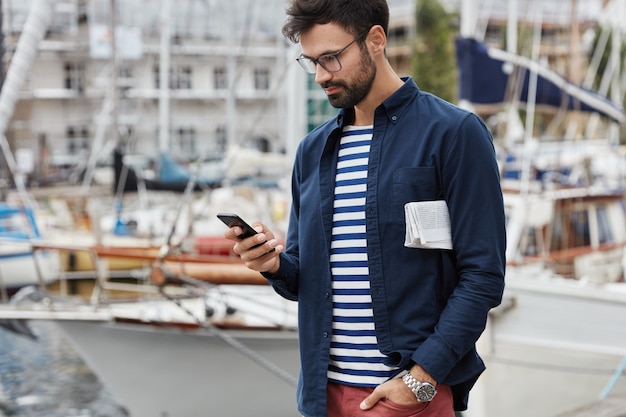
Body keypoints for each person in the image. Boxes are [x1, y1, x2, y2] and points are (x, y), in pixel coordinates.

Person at [223, 0, 506, 416]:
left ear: (376, 40)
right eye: (311, 61)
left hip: (408, 398)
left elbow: (483, 275)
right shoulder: (312, 150)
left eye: (331, 58)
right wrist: (271, 264)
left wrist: (421, 379)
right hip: (322, 398)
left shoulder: (454, 134)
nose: (321, 75)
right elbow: (305, 277)